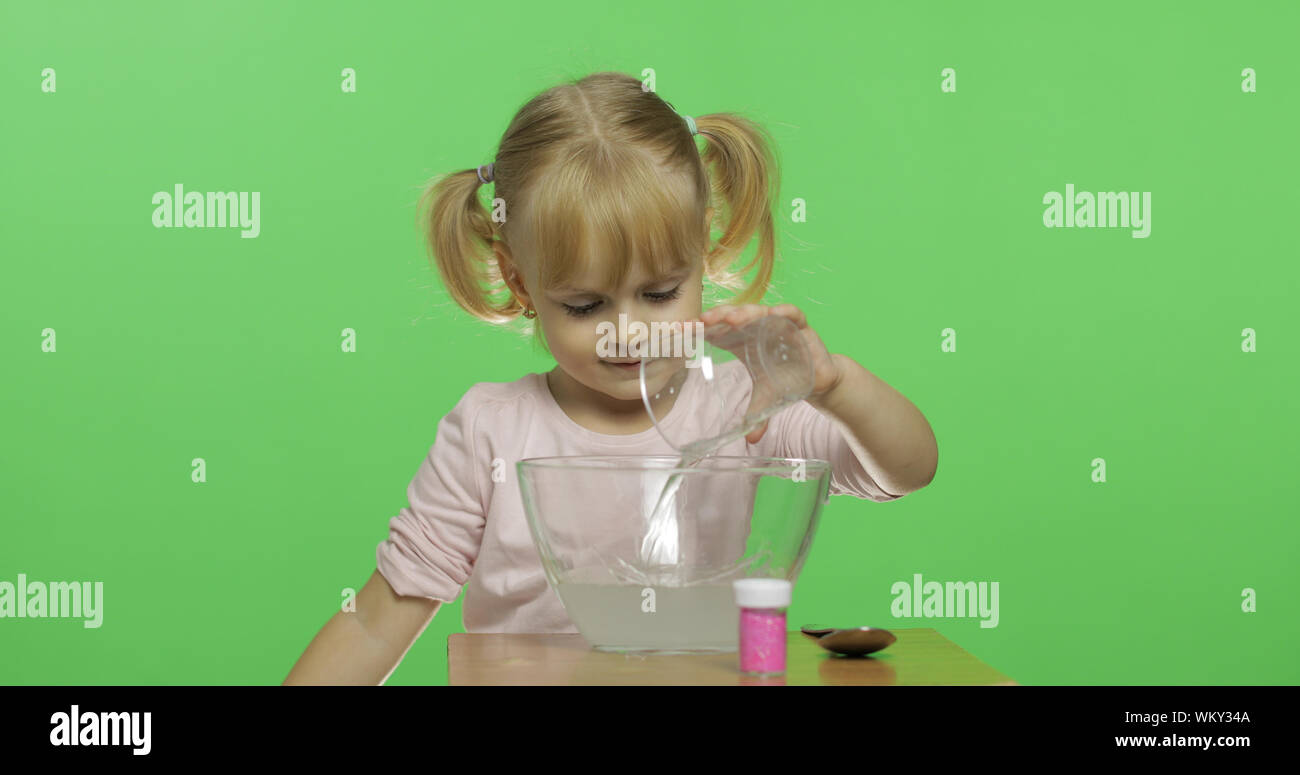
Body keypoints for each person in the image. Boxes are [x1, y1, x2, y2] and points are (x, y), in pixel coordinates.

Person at [283, 71, 937, 685]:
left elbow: (906, 469)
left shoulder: (743, 407)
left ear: (701, 257)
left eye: (659, 292)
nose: (627, 331)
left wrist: (832, 384)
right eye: (586, 305)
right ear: (521, 282)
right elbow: (374, 621)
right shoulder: (490, 432)